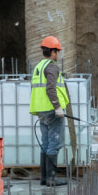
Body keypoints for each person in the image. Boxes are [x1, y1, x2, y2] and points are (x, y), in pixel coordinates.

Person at [29, 35, 69, 186]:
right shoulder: (51, 66)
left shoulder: (39, 66)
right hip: (52, 111)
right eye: (58, 51)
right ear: (53, 52)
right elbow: (51, 88)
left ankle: (45, 178)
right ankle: (52, 179)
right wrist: (57, 107)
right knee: (54, 143)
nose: (59, 54)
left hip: (41, 111)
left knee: (45, 143)